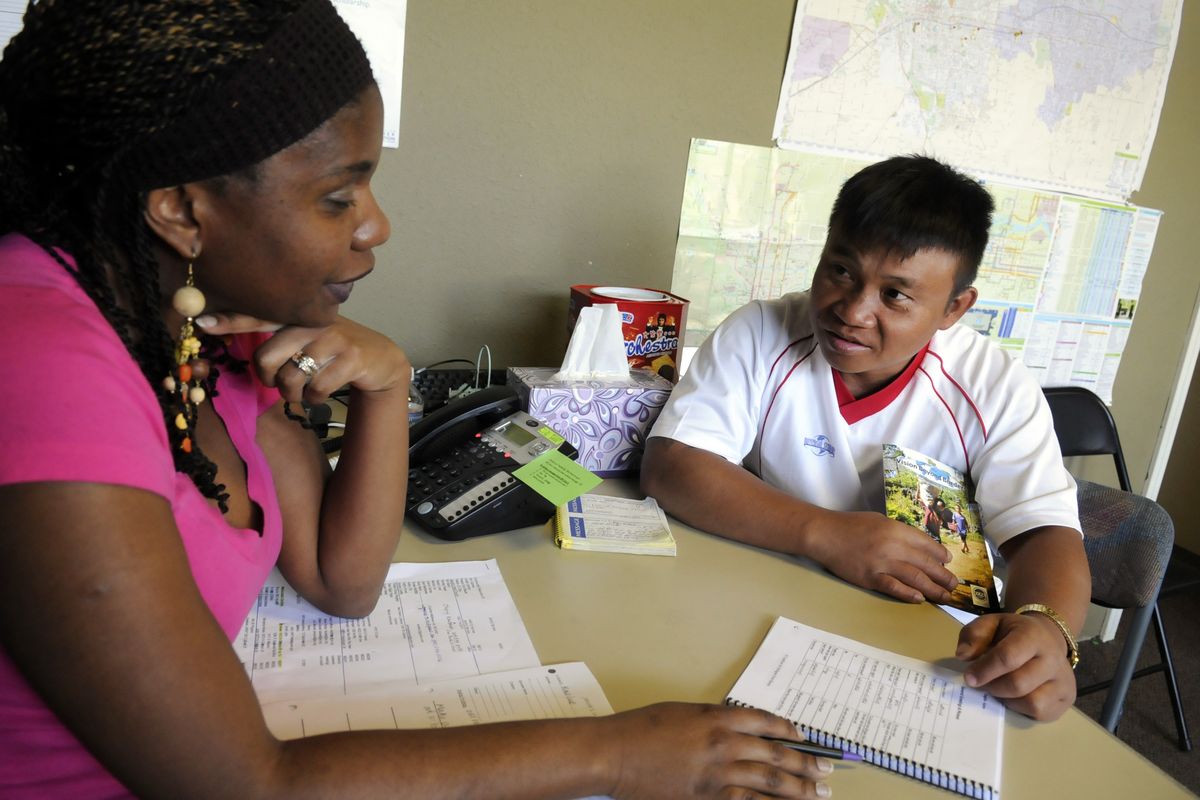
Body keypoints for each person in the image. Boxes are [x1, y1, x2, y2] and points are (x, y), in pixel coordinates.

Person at [0, 3, 833, 798]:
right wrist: (614, 753)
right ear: (180, 210)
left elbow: (341, 580)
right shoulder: (39, 361)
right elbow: (245, 785)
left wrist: (388, 385)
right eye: (338, 197)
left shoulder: (204, 322)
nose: (375, 227)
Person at [642, 155, 1090, 723]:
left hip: (922, 643)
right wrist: (826, 533)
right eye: (841, 271)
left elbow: (1045, 531)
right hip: (767, 590)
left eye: (896, 296)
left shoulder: (994, 385)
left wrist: (1047, 626)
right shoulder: (759, 333)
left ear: (954, 307)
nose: (852, 311)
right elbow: (675, 463)